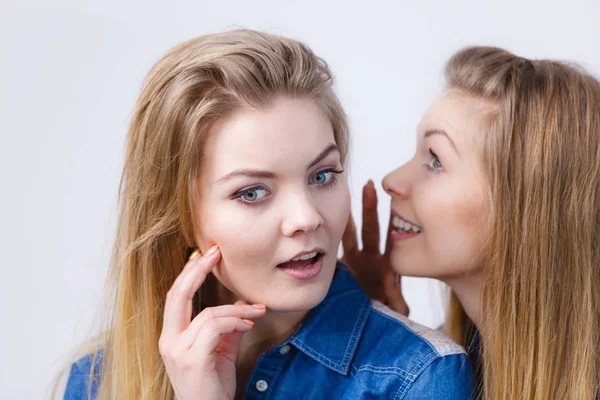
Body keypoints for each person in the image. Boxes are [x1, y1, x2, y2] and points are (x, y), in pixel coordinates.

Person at [61, 29, 473, 400]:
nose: (306, 218)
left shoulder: (416, 378)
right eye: (253, 192)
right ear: (180, 215)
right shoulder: (99, 381)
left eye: (323, 175)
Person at [343, 46, 600, 399]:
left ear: (523, 206)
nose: (391, 180)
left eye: (435, 160)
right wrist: (381, 336)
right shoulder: (446, 373)